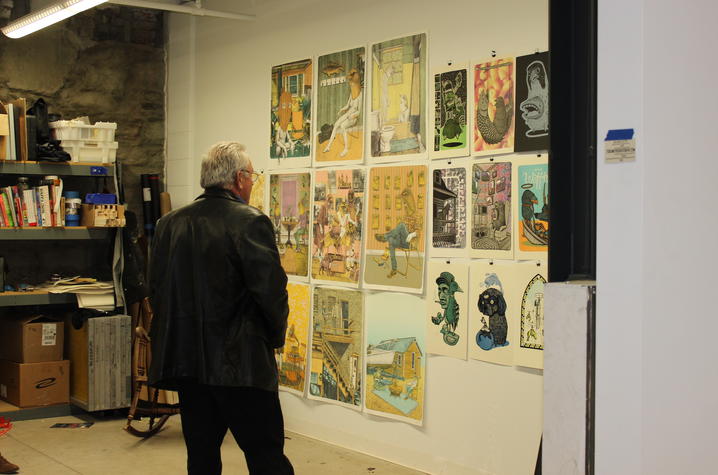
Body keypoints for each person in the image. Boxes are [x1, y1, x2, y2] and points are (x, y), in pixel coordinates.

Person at [149, 142, 294, 475]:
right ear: (240, 178)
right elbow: (271, 292)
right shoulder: (249, 222)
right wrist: (274, 338)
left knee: (201, 454)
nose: (253, 182)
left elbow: (157, 291)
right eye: (253, 176)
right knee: (265, 453)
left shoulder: (169, 224)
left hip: (188, 362)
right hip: (239, 364)